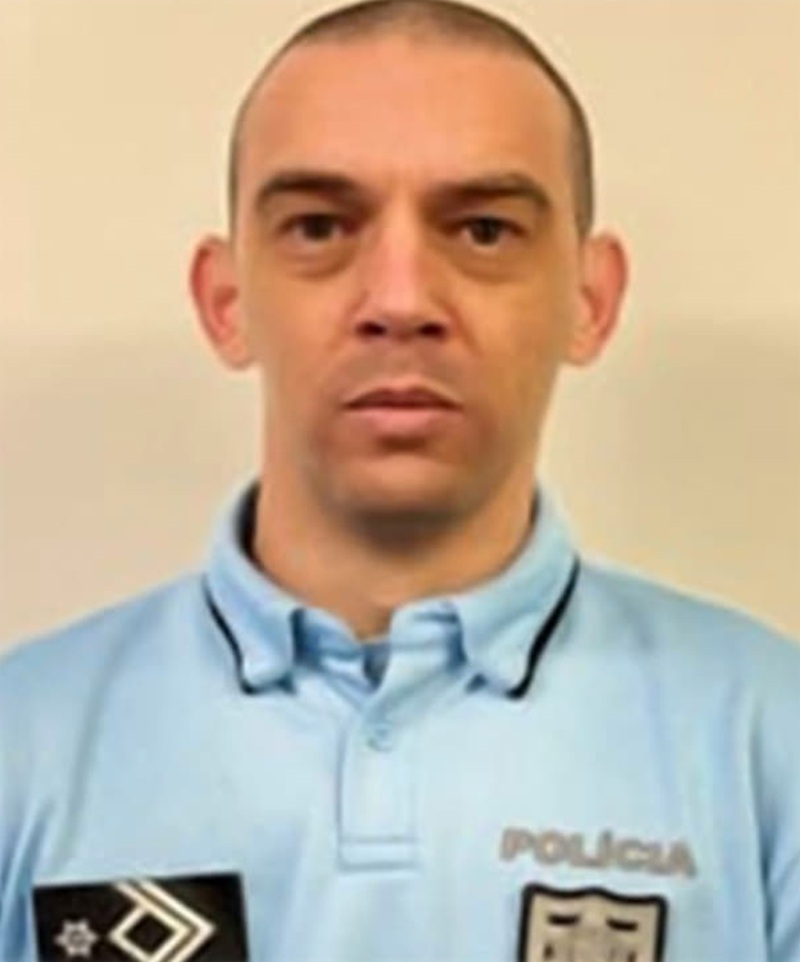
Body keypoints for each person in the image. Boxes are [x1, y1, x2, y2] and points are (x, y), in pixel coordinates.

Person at [1, 1, 798, 959]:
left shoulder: (770, 738)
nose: (402, 300)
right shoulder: (22, 740)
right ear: (226, 301)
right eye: (319, 226)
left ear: (590, 300)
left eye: (485, 231)